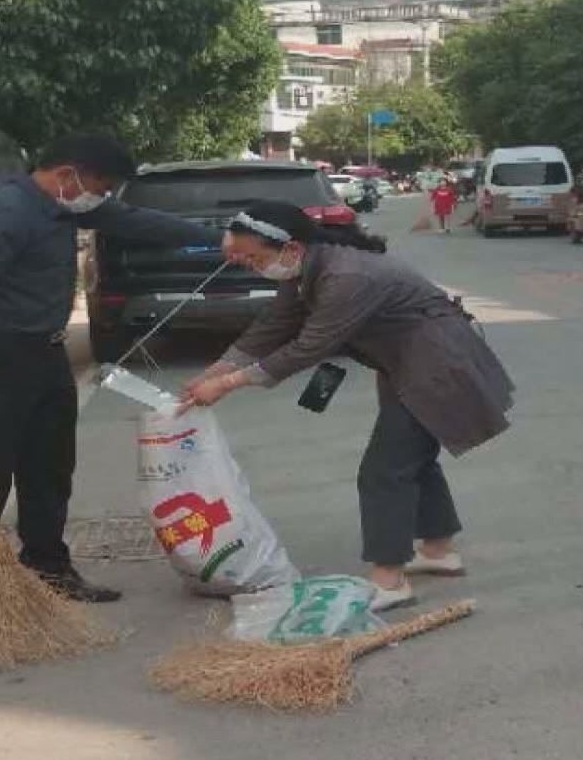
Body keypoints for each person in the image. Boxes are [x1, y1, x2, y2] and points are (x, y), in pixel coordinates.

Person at [181, 200, 516, 612]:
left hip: (435, 364)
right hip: (408, 363)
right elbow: (272, 327)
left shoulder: (346, 276)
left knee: (385, 470)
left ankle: (389, 579)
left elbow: (309, 346)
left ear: (290, 247)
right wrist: (212, 371)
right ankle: (438, 548)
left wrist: (228, 383)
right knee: (413, 460)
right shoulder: (305, 269)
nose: (249, 265)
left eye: (253, 257)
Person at [0, 134, 217, 603]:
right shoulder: (9, 213)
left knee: (50, 465)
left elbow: (138, 222)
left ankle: (47, 567)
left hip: (45, 352)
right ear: (69, 174)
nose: (101, 199)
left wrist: (219, 241)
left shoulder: (67, 205)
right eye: (100, 187)